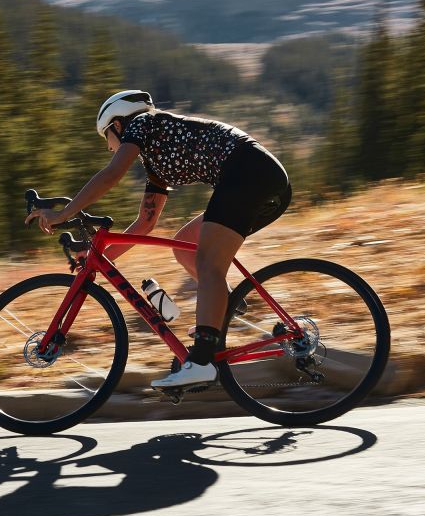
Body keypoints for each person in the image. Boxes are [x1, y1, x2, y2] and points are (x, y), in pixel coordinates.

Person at [24, 90, 291, 389]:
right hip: (253, 179)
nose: (110, 148)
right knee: (187, 247)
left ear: (118, 124)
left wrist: (65, 212)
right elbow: (144, 224)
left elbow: (111, 175)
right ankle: (220, 316)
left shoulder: (143, 123)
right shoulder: (155, 162)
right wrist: (99, 255)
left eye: (107, 138)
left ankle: (201, 361)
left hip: (248, 174)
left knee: (207, 262)